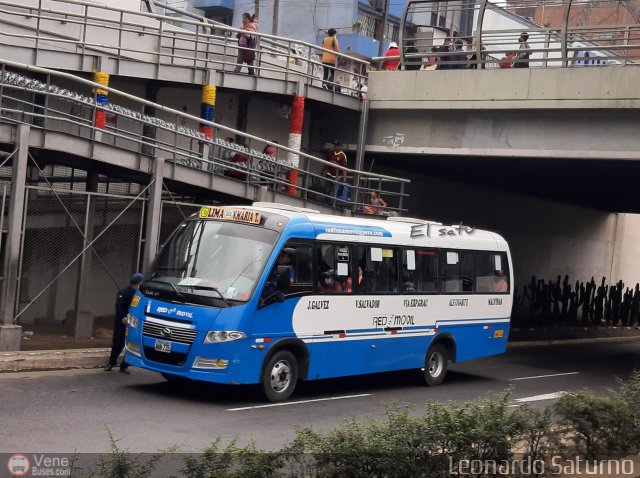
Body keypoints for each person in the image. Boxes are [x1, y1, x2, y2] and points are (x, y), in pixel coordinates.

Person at [105, 273, 143, 373]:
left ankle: (118, 364)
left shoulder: (138, 294)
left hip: (130, 323)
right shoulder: (127, 293)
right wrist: (123, 317)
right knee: (121, 343)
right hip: (125, 322)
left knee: (126, 344)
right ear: (139, 282)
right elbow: (120, 307)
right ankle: (116, 364)